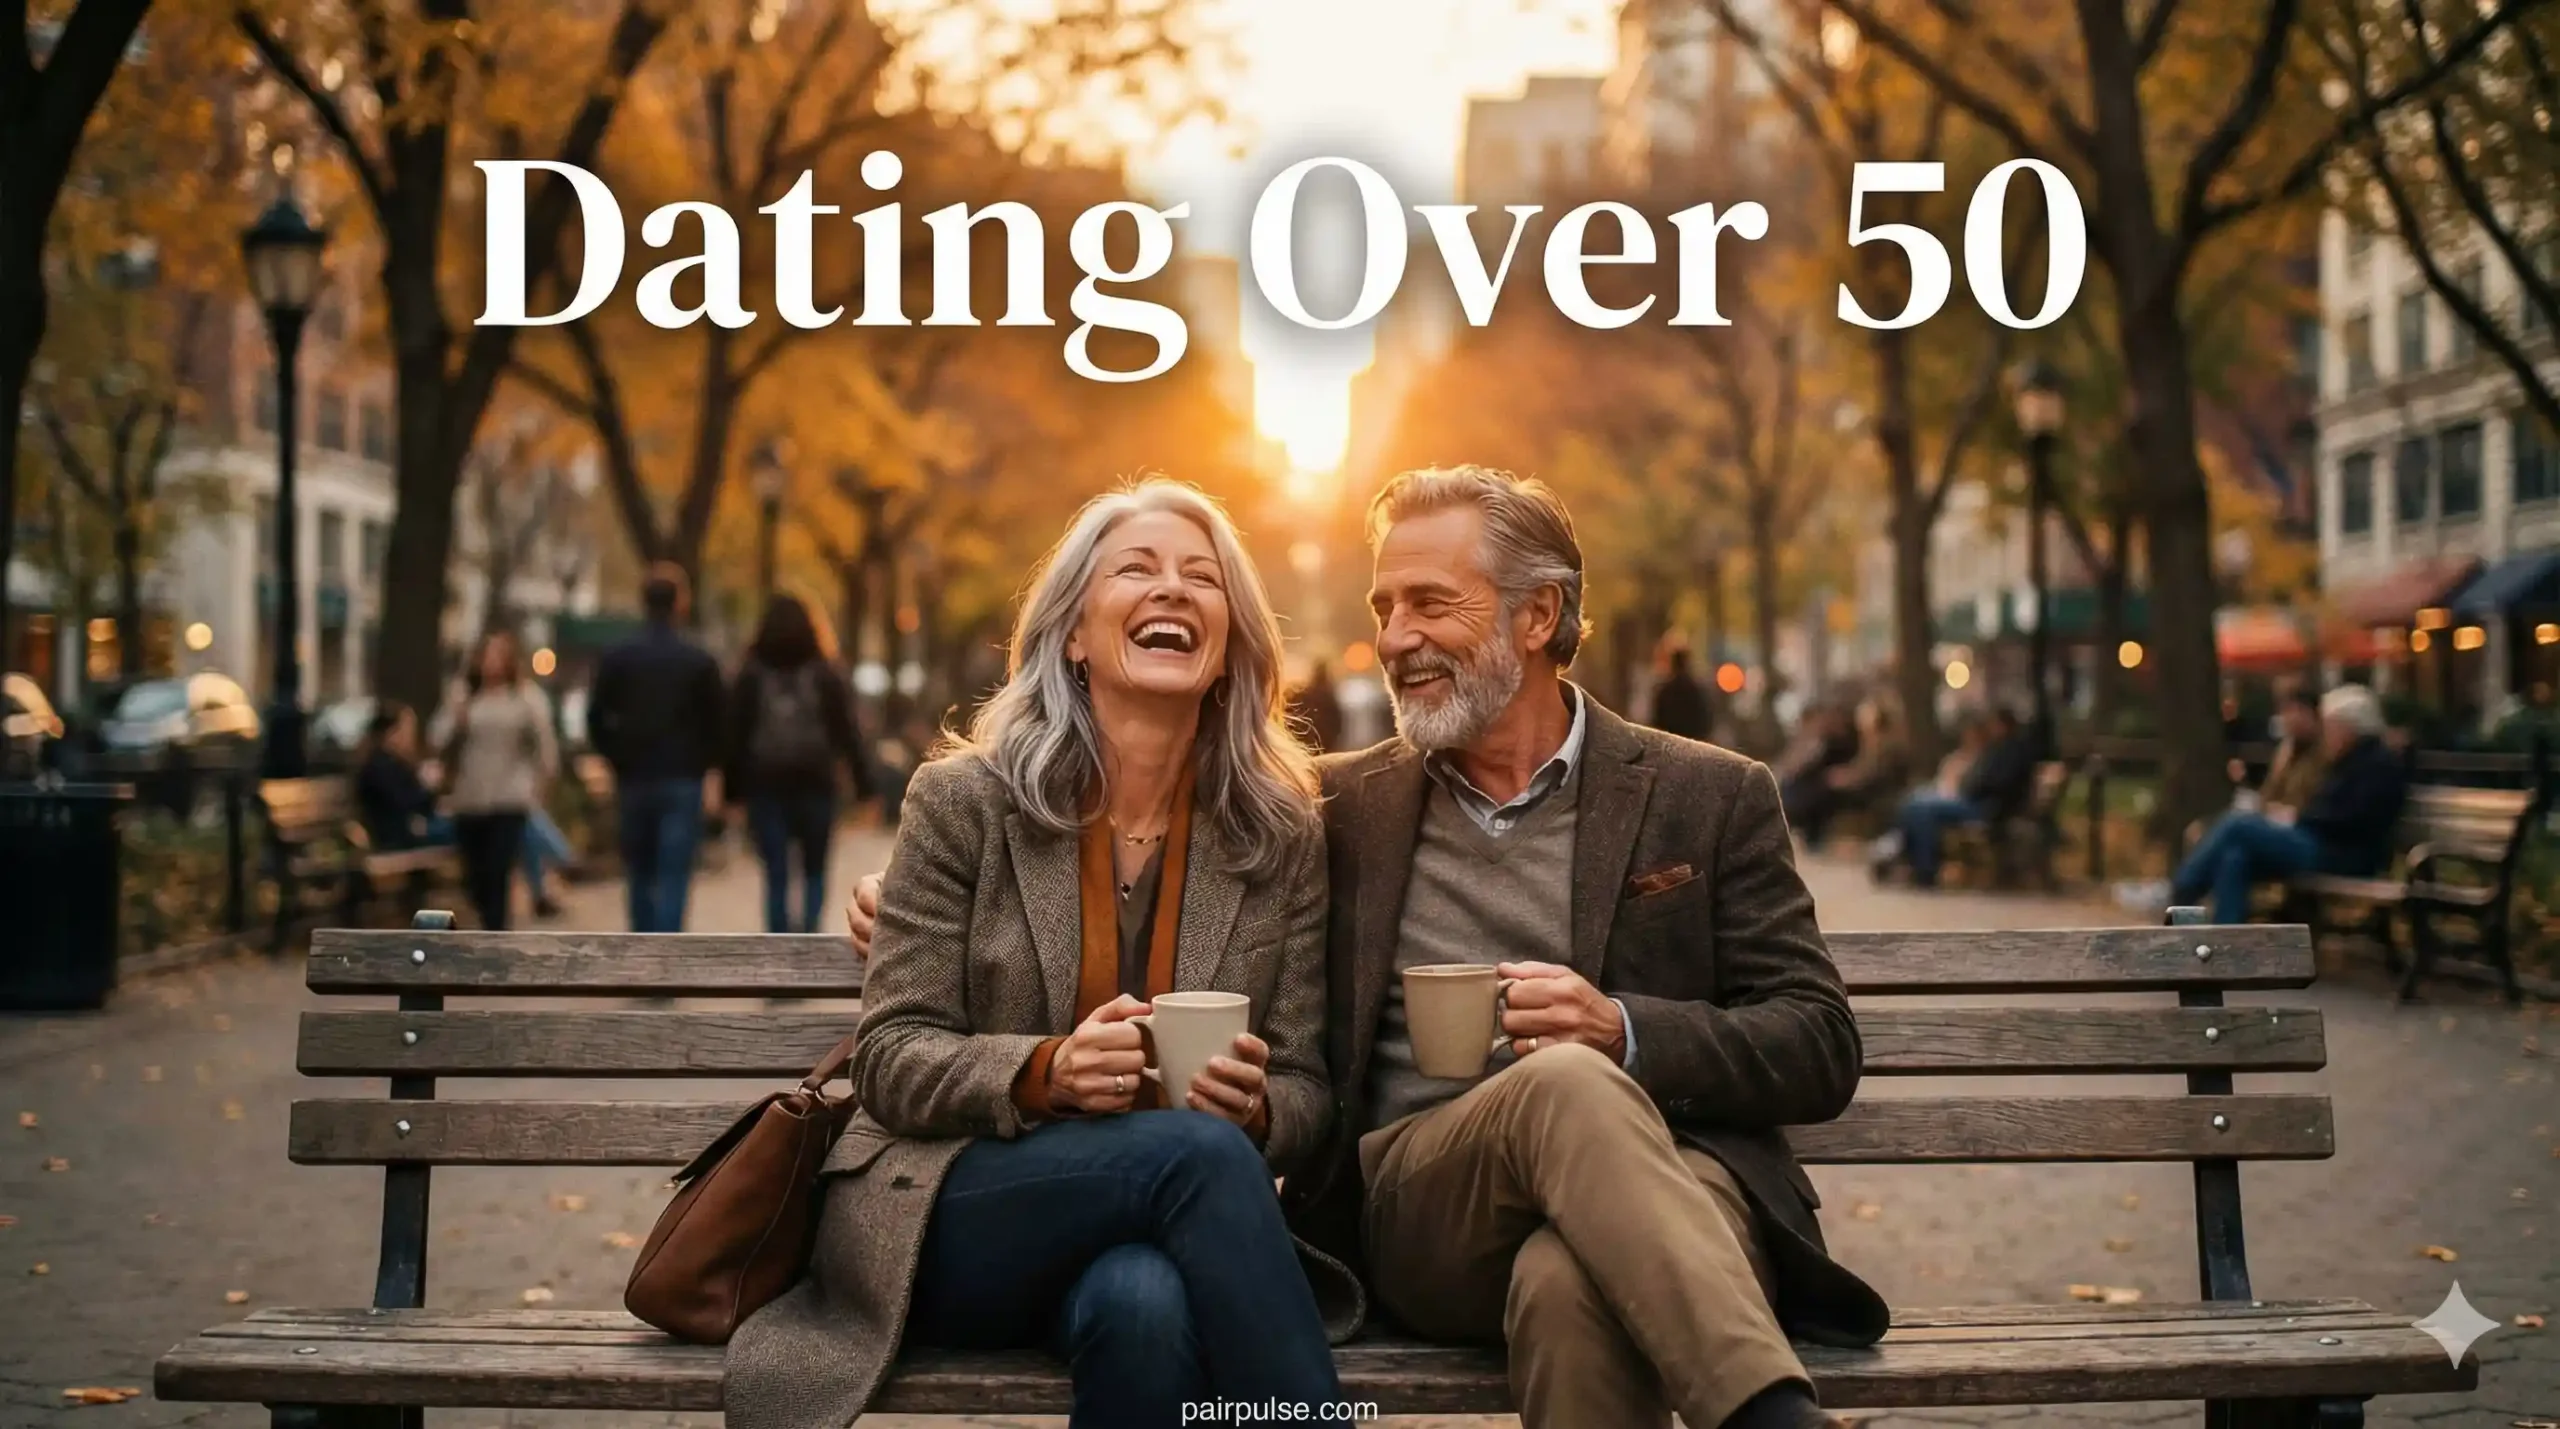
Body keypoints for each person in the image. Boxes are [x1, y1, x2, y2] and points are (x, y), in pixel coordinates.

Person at [843, 468, 1883, 1429]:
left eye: (1430, 602)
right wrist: (924, 916)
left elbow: (1817, 1042)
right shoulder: (1333, 805)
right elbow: (916, 1016)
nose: (1394, 637)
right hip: (1420, 1203)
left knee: (1566, 1278)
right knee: (1555, 1086)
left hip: (1666, 1192)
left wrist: (1623, 1029)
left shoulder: (1708, 795)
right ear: (1070, 631)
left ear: (1537, 615)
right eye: (1383, 608)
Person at [727, 481, 1349, 1429]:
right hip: (955, 1208)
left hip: (1159, 1229)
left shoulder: (1277, 833)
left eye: (1202, 577)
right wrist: (1044, 1071)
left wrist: (1261, 1106)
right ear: (1072, 635)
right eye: (1136, 569)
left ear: (1231, 648)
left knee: (1142, 1307)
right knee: (1194, 1156)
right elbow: (893, 1056)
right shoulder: (964, 802)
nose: (1173, 590)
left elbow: (1306, 1086)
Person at [2167, 684, 2408, 924]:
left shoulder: (2377, 766)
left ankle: (2181, 893)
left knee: (2238, 825)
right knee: (2235, 856)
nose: (2328, 736)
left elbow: (2353, 820)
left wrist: (2298, 818)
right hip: (2321, 844)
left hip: (2342, 856)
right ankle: (2227, 938)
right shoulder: (2351, 761)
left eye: (2332, 728)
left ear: (2351, 728)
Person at [587, 564, 726, 932]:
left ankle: (641, 954)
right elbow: (717, 724)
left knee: (639, 870)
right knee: (674, 871)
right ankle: (668, 956)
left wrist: (615, 757)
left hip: (634, 776)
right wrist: (709, 768)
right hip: (682, 777)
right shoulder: (699, 660)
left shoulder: (618, 657)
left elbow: (595, 716)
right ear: (680, 602)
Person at [725, 594, 874, 934]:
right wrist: (865, 786)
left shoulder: (751, 673)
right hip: (815, 783)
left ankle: (780, 949)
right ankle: (808, 938)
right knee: (814, 870)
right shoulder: (825, 672)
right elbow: (847, 732)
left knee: (776, 872)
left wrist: (732, 793)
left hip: (766, 785)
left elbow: (734, 736)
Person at [429, 631, 559, 931]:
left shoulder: (525, 696)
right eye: (486, 655)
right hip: (469, 797)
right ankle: (486, 924)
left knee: (497, 872)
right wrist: (456, 719)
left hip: (508, 797)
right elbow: (437, 736)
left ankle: (496, 935)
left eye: (499, 655)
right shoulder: (464, 695)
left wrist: (541, 784)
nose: (491, 663)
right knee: (474, 878)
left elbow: (545, 745)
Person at [1888, 706, 2037, 888]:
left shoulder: (2013, 751)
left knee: (1923, 810)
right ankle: (1909, 861)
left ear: (2003, 725)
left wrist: (1972, 785)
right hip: (1975, 800)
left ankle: (1925, 869)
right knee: (1912, 803)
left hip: (1988, 807)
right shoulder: (1997, 748)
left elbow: (1995, 783)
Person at [354, 703, 440, 850]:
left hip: (407, 832)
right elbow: (404, 802)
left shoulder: (396, 763)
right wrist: (428, 786)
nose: (411, 737)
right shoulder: (379, 766)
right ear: (391, 733)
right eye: (407, 730)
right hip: (394, 837)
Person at [1776, 702, 1861, 840]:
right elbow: (1791, 767)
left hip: (1824, 786)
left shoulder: (1840, 742)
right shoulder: (1816, 742)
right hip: (1811, 783)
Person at [2256, 687, 2329, 814]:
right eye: (2288, 711)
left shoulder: (2324, 754)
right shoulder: (2285, 750)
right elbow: (2267, 796)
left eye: (2301, 711)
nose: (2294, 718)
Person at [1649, 645, 1714, 741]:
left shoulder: (1665, 690)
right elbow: (1705, 719)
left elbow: (1657, 719)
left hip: (1669, 741)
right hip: (1693, 742)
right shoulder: (1697, 689)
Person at [1287, 659, 1345, 752]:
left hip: (1306, 739)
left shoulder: (1305, 693)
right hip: (1325, 740)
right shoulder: (1328, 694)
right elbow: (1336, 721)